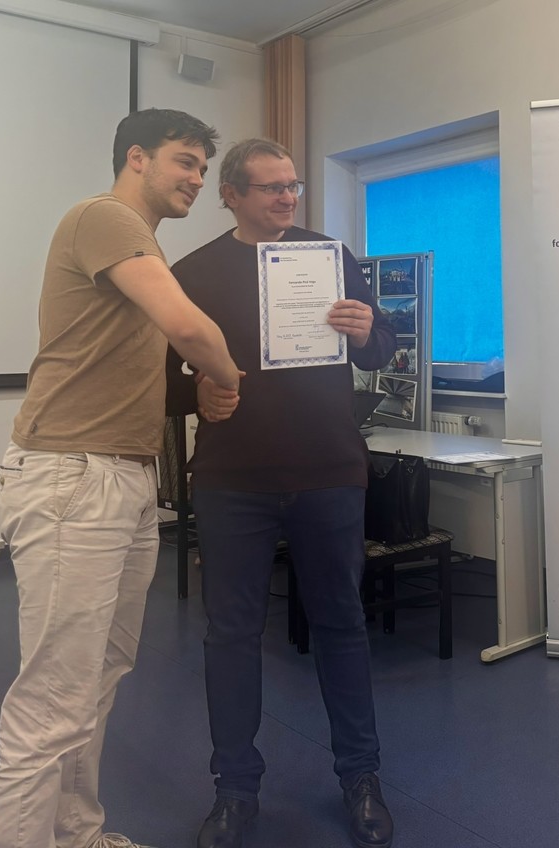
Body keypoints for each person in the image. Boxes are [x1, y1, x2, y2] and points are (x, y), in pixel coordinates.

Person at [0, 109, 241, 848]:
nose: (196, 179)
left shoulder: (139, 246)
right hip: (74, 476)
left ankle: (76, 833)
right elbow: (191, 331)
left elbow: (138, 371)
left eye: (202, 168)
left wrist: (199, 389)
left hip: (123, 478)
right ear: (137, 158)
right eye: (185, 161)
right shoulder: (104, 218)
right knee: (52, 702)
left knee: (97, 678)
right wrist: (226, 377)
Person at [166, 138, 397, 848]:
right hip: (233, 480)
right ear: (231, 195)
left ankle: (361, 778)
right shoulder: (192, 272)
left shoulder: (330, 257)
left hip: (328, 471)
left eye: (292, 186)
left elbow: (382, 346)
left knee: (341, 626)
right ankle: (235, 791)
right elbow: (159, 377)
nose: (287, 198)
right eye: (270, 188)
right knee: (231, 635)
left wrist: (368, 330)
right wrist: (195, 394)